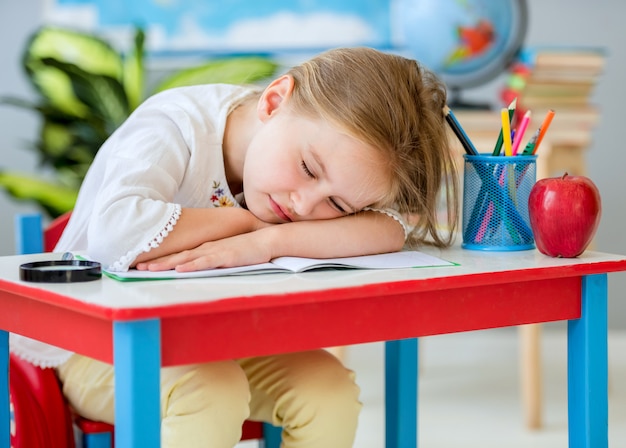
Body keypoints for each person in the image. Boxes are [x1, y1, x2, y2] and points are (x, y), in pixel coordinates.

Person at [12, 47, 459, 447]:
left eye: (338, 204)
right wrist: (244, 221)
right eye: (307, 168)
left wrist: (268, 242)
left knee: (329, 391)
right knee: (211, 391)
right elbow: (115, 232)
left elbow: (388, 230)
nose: (304, 205)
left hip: (215, 341)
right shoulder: (174, 127)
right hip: (93, 344)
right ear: (274, 100)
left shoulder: (295, 190)